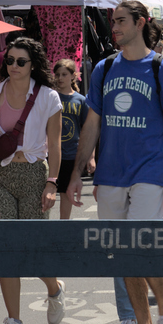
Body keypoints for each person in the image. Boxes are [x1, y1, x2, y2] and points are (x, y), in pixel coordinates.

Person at [67, 0, 163, 324]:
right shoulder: (103, 68)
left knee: (141, 247)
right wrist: (76, 175)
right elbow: (92, 124)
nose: (114, 27)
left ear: (141, 22)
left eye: (121, 21)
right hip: (110, 172)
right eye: (112, 21)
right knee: (122, 254)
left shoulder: (161, 68)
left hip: (151, 170)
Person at [0, 37, 65, 324]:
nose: (13, 66)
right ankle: (14, 320)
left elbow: (55, 144)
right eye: (10, 61)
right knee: (6, 249)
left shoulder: (48, 97)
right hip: (1, 175)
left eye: (20, 61)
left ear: (33, 65)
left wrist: (52, 183)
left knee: (31, 249)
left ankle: (54, 288)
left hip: (33, 174)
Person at [53, 59, 93, 222]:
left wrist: (91, 157)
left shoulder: (81, 100)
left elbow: (88, 130)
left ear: (73, 76)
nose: (60, 78)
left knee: (65, 192)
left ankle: (64, 225)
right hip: (51, 153)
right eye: (57, 74)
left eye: (64, 74)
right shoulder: (50, 97)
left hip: (71, 154)